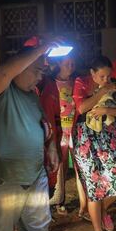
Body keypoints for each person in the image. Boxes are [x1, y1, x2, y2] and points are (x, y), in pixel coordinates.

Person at [0, 36, 59, 231]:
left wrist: (51, 146)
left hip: (34, 176)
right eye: (36, 71)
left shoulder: (33, 96)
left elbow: (43, 125)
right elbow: (3, 73)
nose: (40, 78)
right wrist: (43, 47)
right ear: (20, 67)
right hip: (1, 181)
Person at [72, 55, 116, 231]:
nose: (106, 80)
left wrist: (106, 108)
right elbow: (81, 107)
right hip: (86, 138)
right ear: (93, 74)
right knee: (94, 186)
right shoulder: (81, 82)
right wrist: (101, 92)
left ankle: (101, 211)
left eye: (108, 76)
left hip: (111, 136)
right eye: (102, 76)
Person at [40, 53, 89, 219]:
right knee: (59, 169)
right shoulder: (50, 85)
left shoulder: (78, 82)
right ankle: (59, 202)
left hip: (76, 131)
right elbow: (47, 111)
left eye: (73, 62)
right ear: (59, 64)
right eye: (67, 63)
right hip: (60, 133)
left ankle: (85, 206)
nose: (71, 66)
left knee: (80, 168)